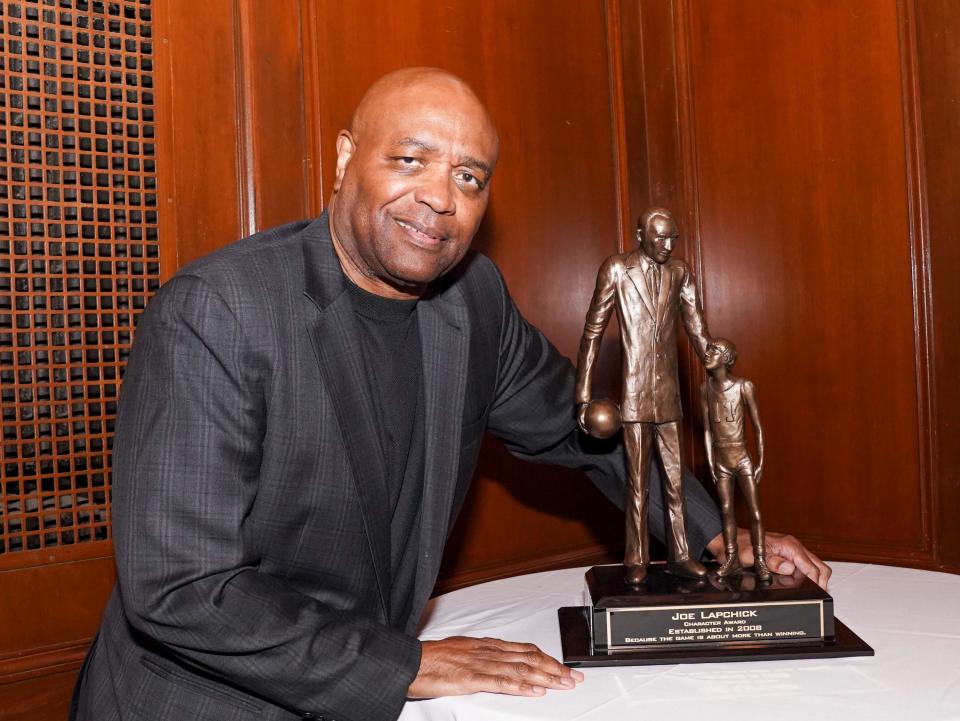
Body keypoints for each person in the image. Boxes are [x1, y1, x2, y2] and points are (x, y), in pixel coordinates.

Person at [71, 68, 829, 721]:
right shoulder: (219, 311)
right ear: (344, 159)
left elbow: (585, 428)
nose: (439, 198)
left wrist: (710, 532)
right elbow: (183, 588)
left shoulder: (474, 300)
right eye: (410, 159)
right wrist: (401, 665)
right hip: (205, 702)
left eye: (469, 177)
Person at [576, 207, 712, 585]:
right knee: (638, 483)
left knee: (675, 483)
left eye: (673, 239)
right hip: (633, 398)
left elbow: (696, 326)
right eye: (659, 239)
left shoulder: (680, 273)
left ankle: (681, 556)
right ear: (640, 235)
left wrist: (712, 354)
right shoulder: (617, 269)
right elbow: (593, 331)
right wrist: (583, 396)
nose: (667, 246)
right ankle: (637, 557)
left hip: (670, 397)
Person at [701, 338, 770, 581]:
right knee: (727, 511)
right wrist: (710, 460)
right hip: (721, 460)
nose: (708, 353)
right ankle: (732, 558)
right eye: (708, 349)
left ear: (727, 358)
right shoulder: (705, 388)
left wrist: (760, 460)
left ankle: (760, 559)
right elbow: (708, 430)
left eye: (714, 350)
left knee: (755, 511)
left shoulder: (744, 386)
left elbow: (758, 427)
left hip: (742, 457)